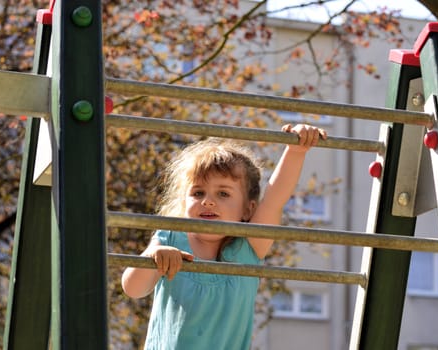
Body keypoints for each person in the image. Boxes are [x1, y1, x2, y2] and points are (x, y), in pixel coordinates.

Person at [121, 123, 327, 350]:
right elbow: (133, 289)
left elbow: (275, 197)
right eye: (198, 192)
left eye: (223, 193)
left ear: (247, 210)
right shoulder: (171, 238)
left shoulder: (249, 248)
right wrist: (153, 257)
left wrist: (296, 151)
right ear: (183, 203)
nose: (208, 201)